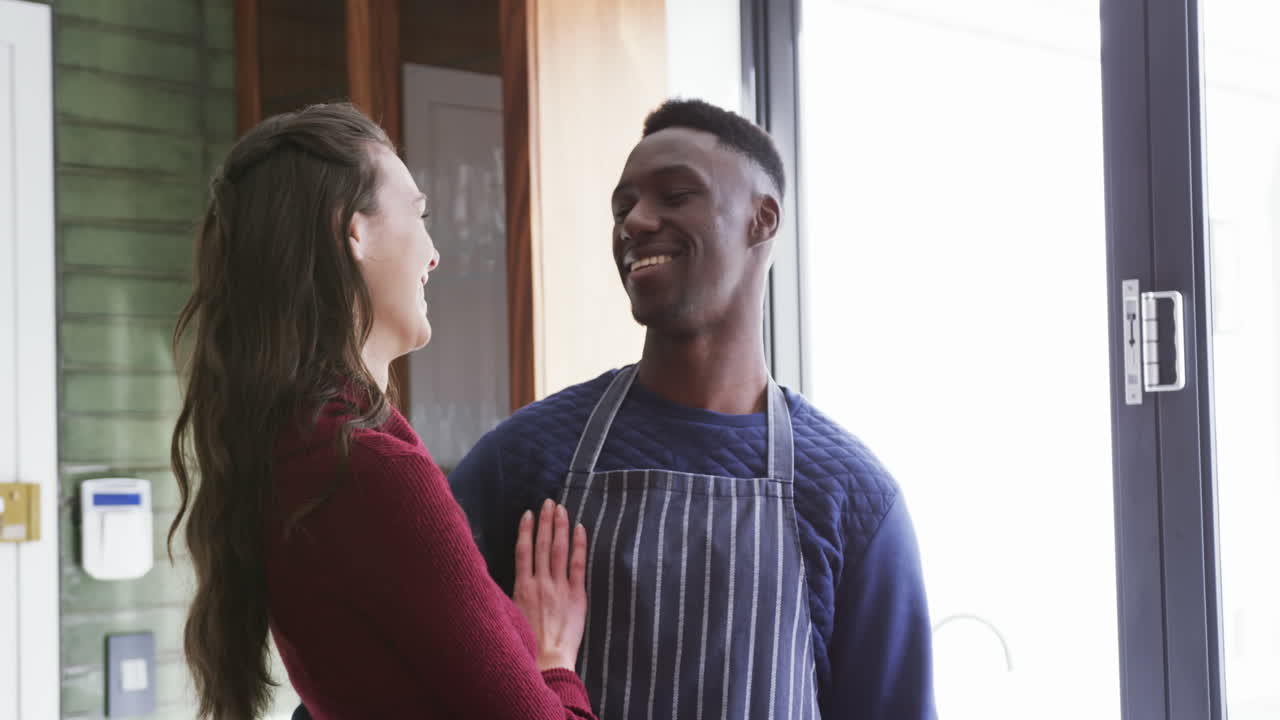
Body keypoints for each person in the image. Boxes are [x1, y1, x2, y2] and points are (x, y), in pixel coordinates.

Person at [450, 98, 937, 719]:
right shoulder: (525, 460)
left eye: (676, 196)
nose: (635, 222)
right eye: (622, 208)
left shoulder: (851, 496)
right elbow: (390, 660)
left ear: (762, 219)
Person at [169, 103, 596, 720]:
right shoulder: (368, 470)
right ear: (355, 231)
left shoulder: (292, 443)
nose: (433, 254)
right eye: (420, 216)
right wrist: (554, 657)